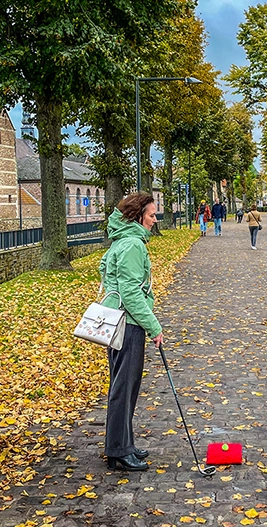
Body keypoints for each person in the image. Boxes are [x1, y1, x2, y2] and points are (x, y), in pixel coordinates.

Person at [98, 193, 163, 472]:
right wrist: (154, 327)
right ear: (138, 217)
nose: (154, 220)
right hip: (128, 324)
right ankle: (119, 451)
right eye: (151, 215)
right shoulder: (133, 245)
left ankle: (124, 442)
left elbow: (107, 272)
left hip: (118, 322)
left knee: (123, 386)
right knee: (124, 388)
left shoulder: (121, 242)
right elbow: (131, 294)